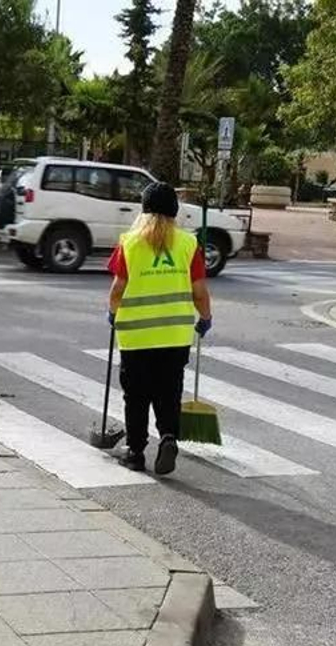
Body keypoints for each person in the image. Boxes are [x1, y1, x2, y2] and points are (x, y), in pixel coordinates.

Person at [105, 182, 213, 475]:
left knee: (136, 395)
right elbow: (199, 291)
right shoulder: (189, 244)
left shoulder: (130, 242)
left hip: (137, 336)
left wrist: (112, 313)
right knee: (169, 390)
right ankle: (168, 436)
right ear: (174, 212)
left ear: (144, 209)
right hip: (175, 335)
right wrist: (205, 318)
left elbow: (118, 289)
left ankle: (136, 451)